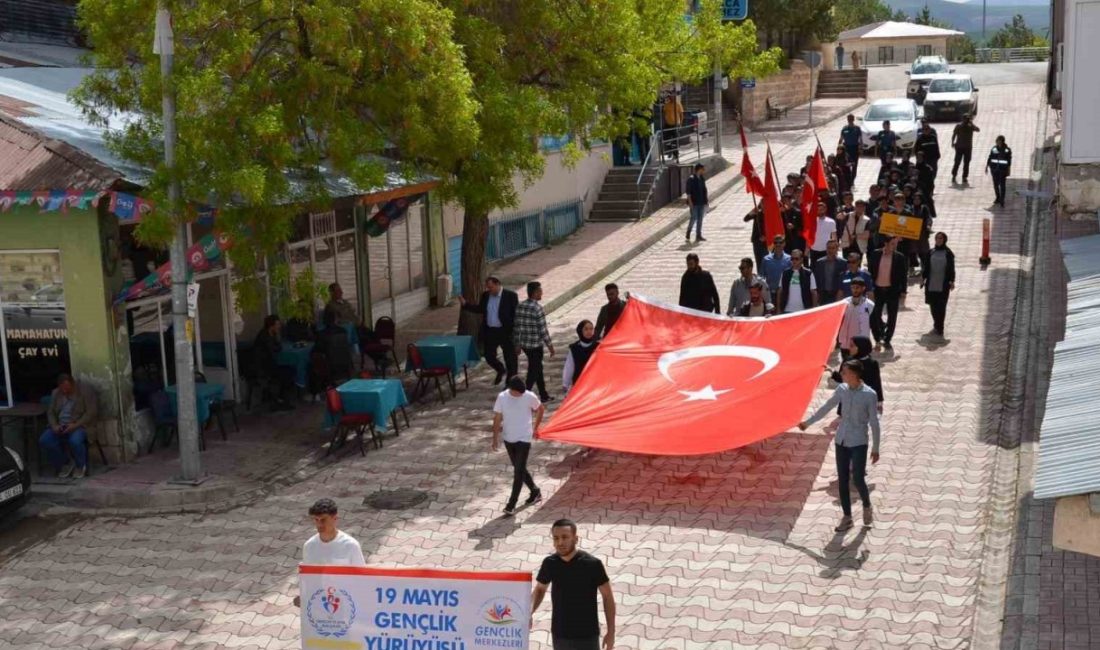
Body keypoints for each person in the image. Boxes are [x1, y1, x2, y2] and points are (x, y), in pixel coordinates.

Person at [798, 360, 881, 532]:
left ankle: (866, 505)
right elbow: (827, 407)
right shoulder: (842, 389)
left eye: (845, 372)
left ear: (855, 374)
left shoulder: (869, 395)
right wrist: (808, 422)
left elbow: (874, 422)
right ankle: (847, 517)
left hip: (859, 441)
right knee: (842, 480)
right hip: (841, 441)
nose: (842, 375)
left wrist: (876, 448)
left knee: (858, 478)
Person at [532, 519, 616, 650]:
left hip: (587, 636)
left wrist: (611, 632)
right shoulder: (550, 563)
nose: (560, 542)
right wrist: (529, 612)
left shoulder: (592, 564)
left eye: (565, 537)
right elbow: (540, 590)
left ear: (576, 539)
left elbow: (608, 597)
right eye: (556, 538)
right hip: (560, 635)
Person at [293, 498, 367, 607]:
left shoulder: (350, 545)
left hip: (346, 604)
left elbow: (362, 579)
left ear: (335, 518)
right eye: (316, 520)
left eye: (323, 520)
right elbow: (308, 579)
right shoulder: (309, 546)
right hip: (319, 604)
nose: (319, 524)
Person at [493, 377, 544, 516]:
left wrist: (536, 427)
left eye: (523, 392)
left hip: (524, 438)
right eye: (518, 393)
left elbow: (540, 409)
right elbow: (497, 417)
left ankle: (511, 504)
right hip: (508, 438)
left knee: (518, 472)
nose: (521, 394)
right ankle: (535, 491)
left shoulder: (529, 396)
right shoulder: (502, 397)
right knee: (519, 468)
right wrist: (495, 438)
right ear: (511, 389)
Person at [460, 276, 519, 384]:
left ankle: (511, 382)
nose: (489, 290)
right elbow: (480, 309)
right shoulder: (486, 296)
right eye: (488, 288)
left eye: (491, 287)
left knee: (510, 359)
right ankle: (500, 369)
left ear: (498, 284)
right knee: (489, 356)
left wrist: (516, 334)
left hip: (505, 331)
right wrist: (466, 305)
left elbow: (516, 315)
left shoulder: (510, 296)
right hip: (491, 331)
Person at [39, 374, 97, 479]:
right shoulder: (56, 393)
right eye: (62, 389)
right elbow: (51, 412)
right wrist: (54, 425)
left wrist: (75, 425)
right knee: (45, 440)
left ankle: (80, 466)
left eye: (67, 388)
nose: (64, 391)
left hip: (79, 425)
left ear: (73, 384)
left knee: (75, 441)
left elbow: (91, 413)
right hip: (61, 425)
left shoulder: (84, 392)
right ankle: (65, 463)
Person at [514, 282, 555, 403]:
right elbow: (543, 330)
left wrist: (517, 344)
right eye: (540, 291)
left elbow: (517, 327)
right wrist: (550, 346)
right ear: (535, 292)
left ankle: (543, 394)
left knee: (538, 368)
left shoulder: (520, 306)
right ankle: (525, 395)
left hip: (525, 345)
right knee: (533, 370)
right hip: (536, 345)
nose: (542, 293)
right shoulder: (538, 308)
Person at [867, 238, 908, 351]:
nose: (894, 246)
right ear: (886, 244)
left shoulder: (899, 257)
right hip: (877, 290)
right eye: (892, 244)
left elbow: (904, 276)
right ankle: (878, 336)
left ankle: (887, 339)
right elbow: (870, 271)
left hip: (892, 291)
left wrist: (904, 292)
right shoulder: (875, 254)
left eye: (896, 244)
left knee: (892, 316)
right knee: (875, 315)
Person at [253, 315, 296, 410]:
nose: (279, 326)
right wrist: (277, 341)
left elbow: (277, 346)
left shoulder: (271, 334)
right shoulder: (264, 335)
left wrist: (277, 337)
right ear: (271, 325)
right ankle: (280, 401)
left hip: (269, 364)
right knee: (287, 373)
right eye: (277, 324)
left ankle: (280, 398)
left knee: (290, 370)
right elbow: (274, 349)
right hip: (263, 367)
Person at [921, 232, 956, 338]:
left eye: (941, 238)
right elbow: (926, 267)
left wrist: (952, 281)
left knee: (941, 306)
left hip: (943, 284)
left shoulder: (948, 253)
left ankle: (940, 327)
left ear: (944, 240)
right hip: (931, 283)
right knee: (933, 306)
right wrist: (923, 279)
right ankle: (936, 323)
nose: (938, 240)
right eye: (937, 238)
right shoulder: (931, 252)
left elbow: (951, 269)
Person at [836, 277, 874, 357]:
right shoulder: (844, 303)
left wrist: (878, 340)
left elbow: (874, 323)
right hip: (845, 343)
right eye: (853, 288)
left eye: (857, 288)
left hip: (860, 344)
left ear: (863, 288)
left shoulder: (870, 305)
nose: (855, 290)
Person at [563, 321, 599, 395]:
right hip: (579, 383)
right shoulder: (574, 348)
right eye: (586, 329)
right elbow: (569, 367)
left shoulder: (599, 347)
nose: (589, 331)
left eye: (591, 329)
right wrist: (565, 384)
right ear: (580, 331)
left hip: (595, 384)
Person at [778, 249, 818, 314]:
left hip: (804, 311)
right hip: (787, 310)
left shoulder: (808, 273)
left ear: (801, 259)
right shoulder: (785, 273)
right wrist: (778, 309)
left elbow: (814, 293)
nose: (794, 261)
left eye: (796, 259)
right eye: (792, 258)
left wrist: (814, 310)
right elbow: (780, 291)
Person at [813, 240, 846, 306]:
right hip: (823, 295)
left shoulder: (843, 263)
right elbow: (816, 279)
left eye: (833, 248)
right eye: (829, 248)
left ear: (837, 249)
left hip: (837, 295)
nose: (830, 250)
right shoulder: (819, 262)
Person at [951, 115, 981, 184]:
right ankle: (954, 175)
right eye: (965, 119)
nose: (966, 121)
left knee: (966, 163)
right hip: (959, 147)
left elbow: (978, 130)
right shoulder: (958, 126)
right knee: (957, 162)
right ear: (962, 119)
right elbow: (954, 134)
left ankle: (964, 177)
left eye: (967, 119)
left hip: (968, 148)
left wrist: (972, 124)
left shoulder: (970, 126)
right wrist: (952, 142)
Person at [808, 201, 837, 266]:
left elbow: (834, 236)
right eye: (818, 210)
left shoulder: (831, 222)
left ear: (825, 209)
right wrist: (807, 249)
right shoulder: (812, 221)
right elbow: (809, 235)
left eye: (822, 209)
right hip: (814, 249)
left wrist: (835, 249)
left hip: (826, 250)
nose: (820, 211)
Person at [986, 135, 1012, 207]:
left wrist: (1008, 170)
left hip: (1002, 170)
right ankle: (998, 197)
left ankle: (1002, 200)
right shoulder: (994, 149)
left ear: (1002, 141)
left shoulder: (1007, 150)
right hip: (994, 170)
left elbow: (1009, 161)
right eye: (997, 141)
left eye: (998, 141)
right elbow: (990, 157)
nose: (997, 142)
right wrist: (987, 166)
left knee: (1002, 185)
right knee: (995, 185)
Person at [685, 163, 708, 242]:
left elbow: (704, 190)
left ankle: (698, 235)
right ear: (699, 169)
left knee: (700, 219)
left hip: (701, 202)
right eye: (702, 169)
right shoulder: (691, 179)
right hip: (694, 203)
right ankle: (688, 231)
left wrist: (706, 201)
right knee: (694, 218)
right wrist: (690, 202)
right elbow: (688, 192)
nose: (704, 171)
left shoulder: (702, 178)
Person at [743, 206, 768, 270]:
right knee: (758, 261)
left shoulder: (770, 215)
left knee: (766, 261)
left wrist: (766, 237)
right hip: (756, 241)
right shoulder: (757, 214)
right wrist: (752, 212)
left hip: (766, 243)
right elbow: (745, 219)